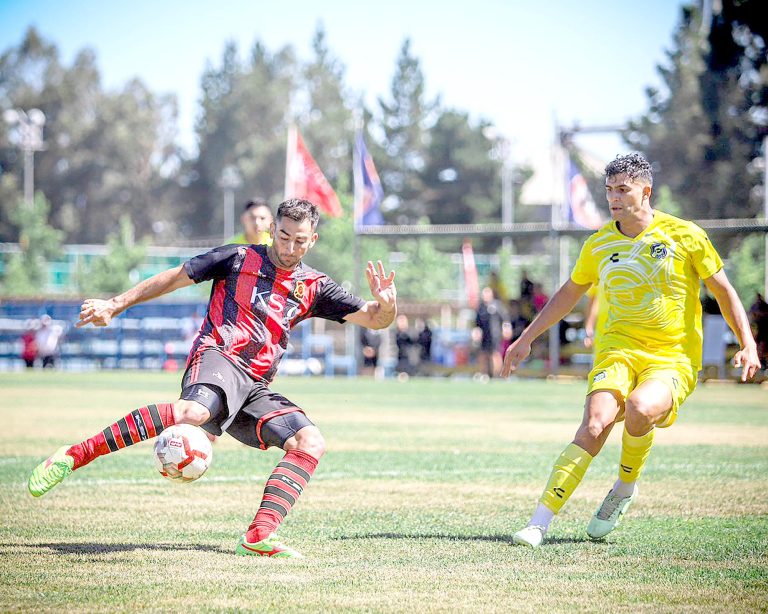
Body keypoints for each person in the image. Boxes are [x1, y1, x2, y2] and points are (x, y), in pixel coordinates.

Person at [28, 198, 398, 559]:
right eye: (283, 237)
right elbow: (173, 278)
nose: (289, 247)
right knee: (193, 413)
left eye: (299, 241)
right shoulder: (236, 258)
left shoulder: (315, 285)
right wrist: (115, 304)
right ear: (272, 230)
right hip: (218, 355)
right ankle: (73, 456)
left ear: (312, 240)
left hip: (255, 387)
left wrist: (387, 304)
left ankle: (258, 536)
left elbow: (373, 318)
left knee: (310, 442)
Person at [502, 153, 761, 548]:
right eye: (609, 190)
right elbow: (569, 293)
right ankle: (539, 523)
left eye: (623, 189)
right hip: (617, 351)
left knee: (640, 408)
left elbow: (723, 291)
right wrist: (526, 338)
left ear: (646, 190)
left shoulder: (685, 235)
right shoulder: (600, 243)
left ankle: (624, 487)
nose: (614, 198)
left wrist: (747, 342)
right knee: (594, 425)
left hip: (672, 357)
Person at [475, 287, 505, 378]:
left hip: (495, 335)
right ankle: (484, 374)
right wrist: (476, 332)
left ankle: (497, 375)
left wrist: (506, 328)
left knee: (495, 354)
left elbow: (504, 318)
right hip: (484, 335)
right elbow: (477, 323)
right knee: (483, 354)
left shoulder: (497, 305)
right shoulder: (481, 307)